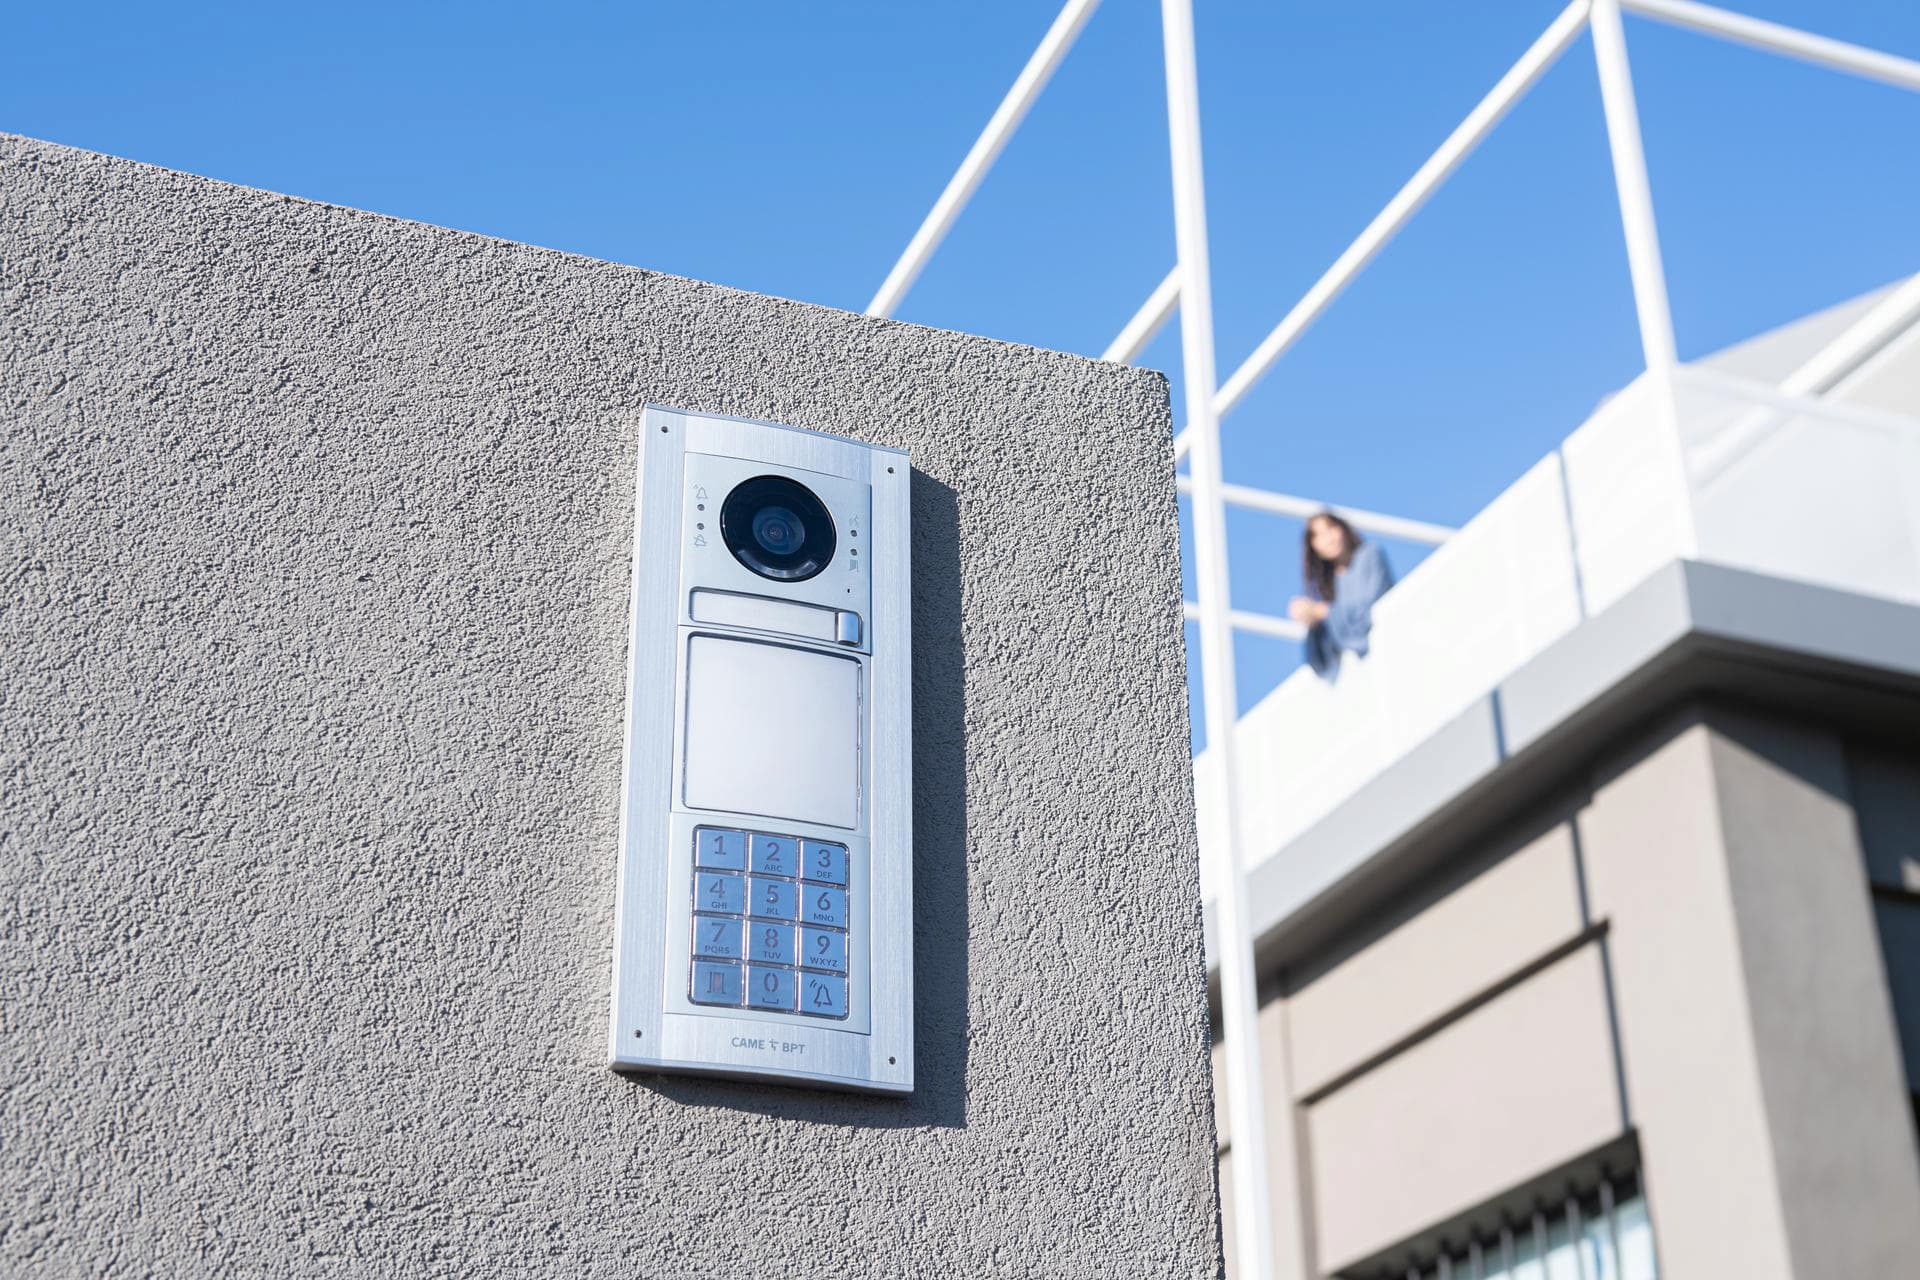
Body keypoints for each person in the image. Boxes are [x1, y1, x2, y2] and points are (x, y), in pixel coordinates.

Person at [1288, 511, 1394, 679]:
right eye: (1318, 535)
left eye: (1330, 528)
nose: (1328, 539)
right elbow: (1323, 660)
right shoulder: (1329, 586)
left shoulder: (1369, 555)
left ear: (1342, 528)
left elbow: (1368, 611)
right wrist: (1313, 624)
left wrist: (1323, 612)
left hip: (1387, 646)